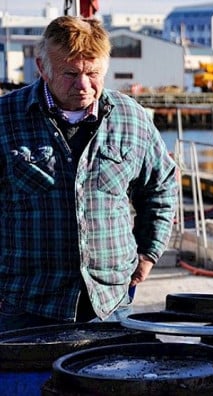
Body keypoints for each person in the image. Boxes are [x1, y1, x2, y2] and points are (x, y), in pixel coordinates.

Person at [0, 16, 178, 331]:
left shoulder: (131, 118)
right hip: (25, 305)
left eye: (93, 73)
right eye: (70, 74)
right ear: (42, 68)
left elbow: (160, 187)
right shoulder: (6, 119)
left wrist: (149, 251)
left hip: (110, 304)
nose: (84, 85)